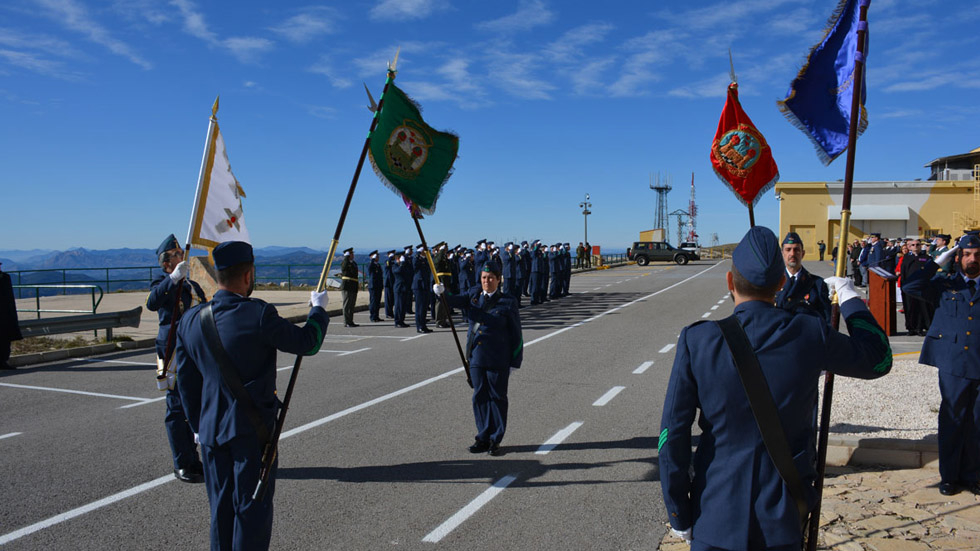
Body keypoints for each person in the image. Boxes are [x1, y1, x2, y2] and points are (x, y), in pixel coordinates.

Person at [658, 226, 892, 551]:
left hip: (716, 513)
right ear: (781, 283)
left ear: (729, 282)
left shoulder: (698, 340)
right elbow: (879, 360)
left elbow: (672, 435)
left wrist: (679, 513)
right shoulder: (810, 333)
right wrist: (850, 298)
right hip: (782, 516)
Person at [175, 241, 328, 551]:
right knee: (251, 514)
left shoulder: (190, 320)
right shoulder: (258, 314)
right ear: (248, 276)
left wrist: (198, 426)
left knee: (221, 512)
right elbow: (308, 343)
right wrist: (318, 310)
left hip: (211, 434)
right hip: (251, 435)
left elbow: (186, 385)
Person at [902, 235, 980, 496]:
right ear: (958, 258)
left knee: (977, 422)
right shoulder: (944, 285)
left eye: (977, 254)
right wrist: (936, 262)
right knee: (952, 420)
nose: (972, 259)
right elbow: (911, 286)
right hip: (953, 363)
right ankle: (949, 477)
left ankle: (972, 476)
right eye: (966, 254)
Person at [433, 262, 522, 456]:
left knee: (497, 398)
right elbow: (454, 301)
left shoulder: (508, 302)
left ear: (498, 280)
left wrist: (515, 362)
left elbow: (516, 334)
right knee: (479, 396)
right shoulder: (473, 295)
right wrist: (442, 293)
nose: (486, 281)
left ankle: (495, 439)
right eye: (483, 278)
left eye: (490, 278)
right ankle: (482, 437)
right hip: (477, 357)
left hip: (498, 358)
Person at [145, 234, 207, 483]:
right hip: (173, 352)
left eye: (181, 253)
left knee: (194, 405)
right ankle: (182, 462)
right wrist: (172, 279)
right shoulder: (163, 283)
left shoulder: (193, 286)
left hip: (194, 350)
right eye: (176, 255)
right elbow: (152, 302)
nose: (182, 257)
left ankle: (194, 458)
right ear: (166, 262)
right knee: (177, 408)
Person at [774, 232, 831, 323]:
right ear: (782, 253)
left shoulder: (817, 284)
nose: (792, 253)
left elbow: (826, 319)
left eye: (796, 250)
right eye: (788, 250)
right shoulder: (773, 282)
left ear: (802, 253)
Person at [1, 261, 22, 370]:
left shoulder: (5, 277)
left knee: (5, 339)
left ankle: (3, 361)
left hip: (5, 313)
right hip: (5, 313)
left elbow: (9, 297)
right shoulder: (5, 278)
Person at [412, 245, 433, 333]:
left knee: (424, 308)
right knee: (419, 308)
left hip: (425, 285)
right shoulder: (416, 258)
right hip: (419, 286)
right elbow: (414, 266)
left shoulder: (425, 259)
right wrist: (418, 253)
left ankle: (423, 325)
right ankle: (419, 326)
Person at [392, 247, 413, 328]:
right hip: (399, 288)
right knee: (398, 306)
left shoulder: (404, 266)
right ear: (398, 258)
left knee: (403, 306)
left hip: (405, 288)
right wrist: (402, 263)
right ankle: (397, 321)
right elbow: (398, 271)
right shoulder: (395, 266)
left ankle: (402, 320)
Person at [340, 247, 359, 328]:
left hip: (353, 285)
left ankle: (350, 321)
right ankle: (346, 321)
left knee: (352, 305)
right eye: (351, 254)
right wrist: (346, 258)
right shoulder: (345, 262)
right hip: (347, 286)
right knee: (347, 304)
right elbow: (344, 268)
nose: (353, 255)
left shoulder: (354, 263)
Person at [367, 250, 383, 323]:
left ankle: (376, 315)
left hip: (378, 285)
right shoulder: (370, 264)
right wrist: (372, 259)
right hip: (373, 285)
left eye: (377, 256)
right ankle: (373, 316)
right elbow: (369, 269)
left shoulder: (378, 265)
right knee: (373, 302)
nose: (377, 257)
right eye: (376, 256)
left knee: (377, 302)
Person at [383, 250, 396, 320]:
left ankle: (391, 312)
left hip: (393, 282)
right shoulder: (388, 261)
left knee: (392, 299)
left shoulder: (393, 262)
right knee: (388, 299)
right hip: (388, 283)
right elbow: (388, 266)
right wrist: (390, 258)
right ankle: (388, 313)